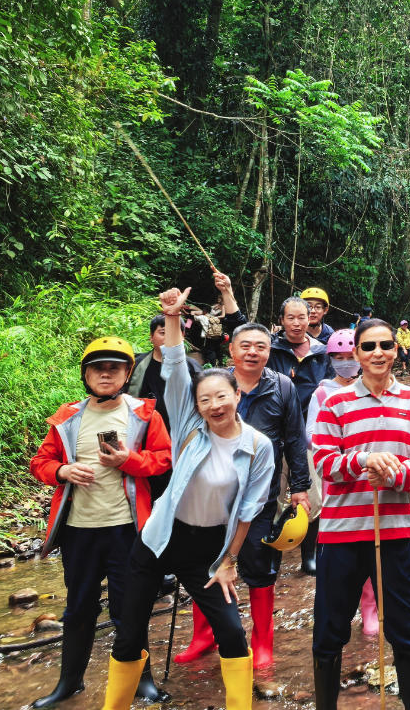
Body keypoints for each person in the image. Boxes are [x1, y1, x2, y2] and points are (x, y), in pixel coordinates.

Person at [101, 287, 274, 710]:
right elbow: (176, 369)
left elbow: (249, 510)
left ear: (238, 395)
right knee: (128, 636)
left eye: (222, 396)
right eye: (205, 399)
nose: (215, 405)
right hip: (159, 539)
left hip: (207, 551)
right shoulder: (188, 428)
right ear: (195, 405)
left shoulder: (257, 447)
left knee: (232, 632)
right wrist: (173, 317)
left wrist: (230, 560)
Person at [173, 272, 310, 671]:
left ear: (271, 351)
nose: (253, 352)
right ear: (231, 348)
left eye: (261, 347)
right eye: (245, 345)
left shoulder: (282, 386)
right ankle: (205, 635)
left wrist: (299, 487)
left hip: (262, 492)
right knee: (207, 563)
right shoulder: (213, 384)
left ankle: (262, 640)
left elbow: (295, 439)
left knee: (259, 565)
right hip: (212, 494)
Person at [30, 337, 171, 709]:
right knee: (78, 608)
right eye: (98, 368)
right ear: (86, 375)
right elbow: (40, 463)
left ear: (127, 373)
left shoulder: (143, 413)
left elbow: (163, 460)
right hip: (78, 531)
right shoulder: (68, 415)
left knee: (130, 607)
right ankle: (69, 683)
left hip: (126, 529)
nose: (105, 373)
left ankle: (143, 681)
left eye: (114, 368)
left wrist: (128, 460)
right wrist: (62, 469)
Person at [310, 318, 410, 710]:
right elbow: (323, 462)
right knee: (330, 629)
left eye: (385, 345)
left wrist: (394, 472)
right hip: (341, 533)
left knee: (405, 627)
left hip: (394, 533)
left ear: (397, 350)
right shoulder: (335, 402)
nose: (378, 352)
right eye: (369, 347)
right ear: (356, 354)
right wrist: (365, 459)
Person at [306, 330, 366, 614]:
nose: (345, 363)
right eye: (339, 358)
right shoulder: (322, 392)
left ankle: (370, 608)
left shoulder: (370, 387)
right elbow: (310, 435)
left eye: (349, 357)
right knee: (340, 541)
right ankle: (341, 607)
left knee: (369, 537)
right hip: (336, 477)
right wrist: (337, 442)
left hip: (367, 476)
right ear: (331, 360)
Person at [127, 314, 202, 500]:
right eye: (162, 332)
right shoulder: (136, 366)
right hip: (144, 445)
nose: (168, 338)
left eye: (174, 333)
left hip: (181, 443)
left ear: (182, 337)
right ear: (151, 337)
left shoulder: (192, 368)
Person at [268, 296, 331, 412]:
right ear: (282, 320)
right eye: (290, 318)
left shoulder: (323, 352)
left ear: (308, 319)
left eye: (301, 318)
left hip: (312, 422)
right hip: (276, 419)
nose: (296, 323)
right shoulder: (270, 347)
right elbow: (244, 332)